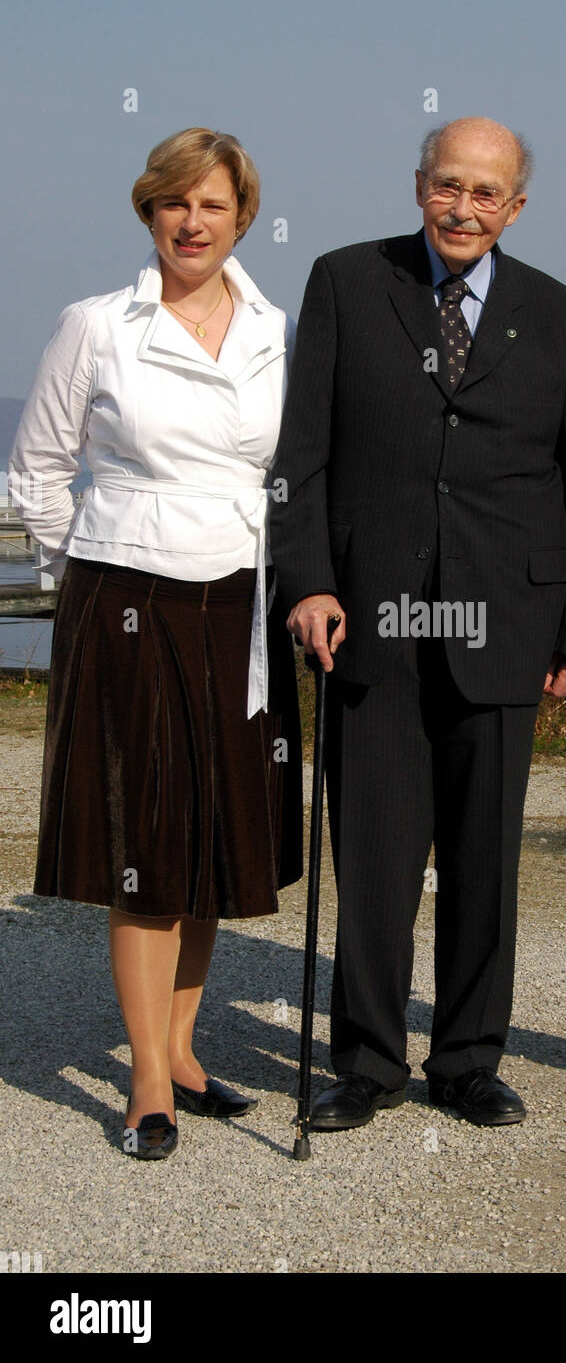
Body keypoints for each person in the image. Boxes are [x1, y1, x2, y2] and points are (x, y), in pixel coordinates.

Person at [269, 116, 566, 1131]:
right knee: (369, 853)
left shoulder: (559, 315)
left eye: (485, 192)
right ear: (419, 186)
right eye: (446, 186)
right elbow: (302, 454)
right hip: (369, 617)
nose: (463, 208)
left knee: (482, 858)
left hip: (508, 618)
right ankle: (366, 1061)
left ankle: (466, 1060)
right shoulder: (343, 281)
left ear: (516, 206)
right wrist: (307, 581)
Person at [9, 128, 302, 1160]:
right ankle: (143, 1083)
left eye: (212, 205)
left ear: (240, 217)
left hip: (240, 601)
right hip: (126, 593)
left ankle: (181, 1048)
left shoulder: (275, 327)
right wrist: (84, 568)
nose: (191, 222)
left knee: (218, 837)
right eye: (173, 203)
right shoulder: (95, 324)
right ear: (149, 213)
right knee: (147, 843)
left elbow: (291, 474)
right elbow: (37, 469)